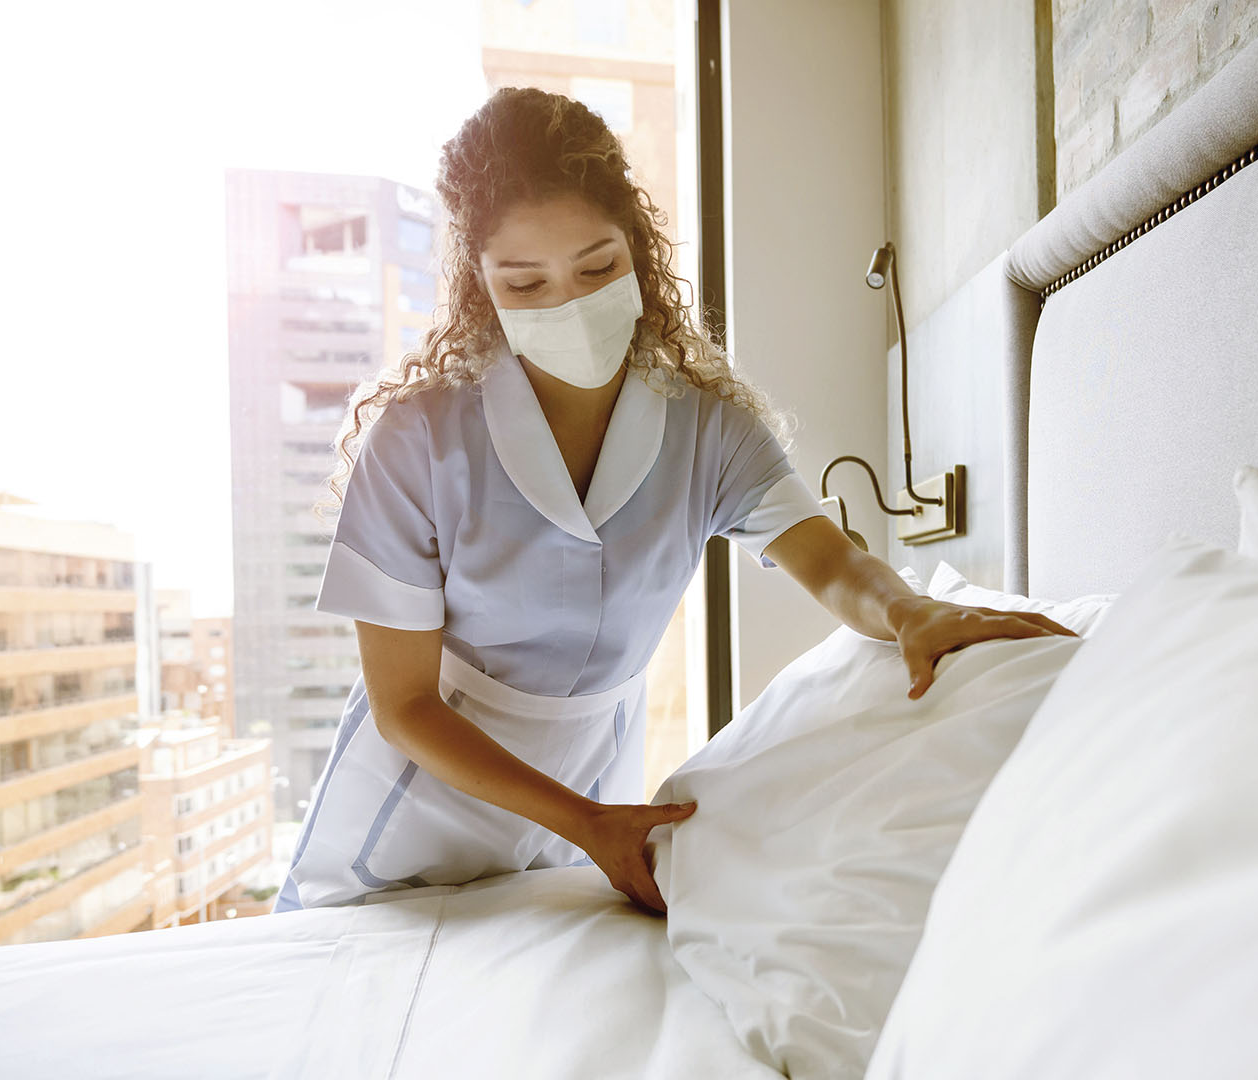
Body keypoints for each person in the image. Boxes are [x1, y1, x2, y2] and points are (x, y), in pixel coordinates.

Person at [273, 88, 1074, 916]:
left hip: (580, 823)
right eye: (526, 283)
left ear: (640, 251)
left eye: (597, 268)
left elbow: (830, 559)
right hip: (410, 825)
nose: (570, 305)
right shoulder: (418, 443)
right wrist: (586, 823)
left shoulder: (706, 427)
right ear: (478, 285)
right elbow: (404, 706)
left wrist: (909, 613)